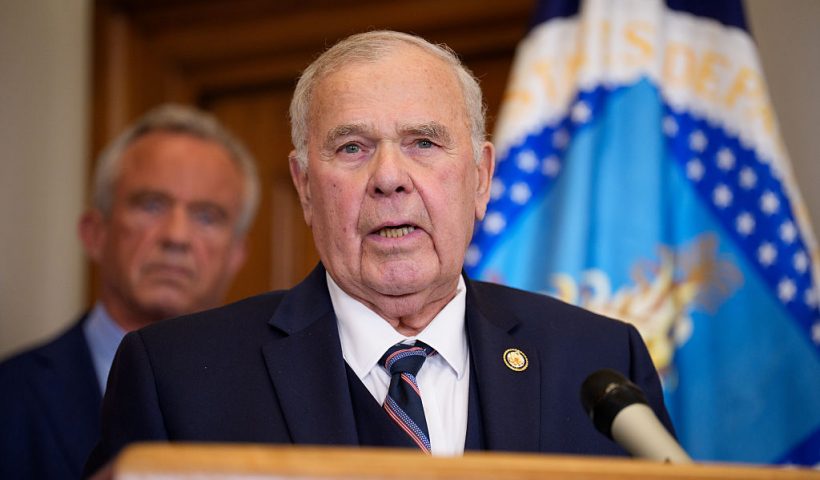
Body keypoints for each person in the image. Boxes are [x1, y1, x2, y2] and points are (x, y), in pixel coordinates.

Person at [85, 31, 674, 474]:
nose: (390, 178)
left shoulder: (599, 361)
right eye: (351, 147)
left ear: (481, 178)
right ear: (305, 187)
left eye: (424, 142)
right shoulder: (176, 376)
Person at [0, 104, 260, 479]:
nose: (176, 237)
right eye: (151, 205)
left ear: (236, 255)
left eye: (206, 216)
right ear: (95, 233)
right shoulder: (10, 396)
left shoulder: (272, 401)